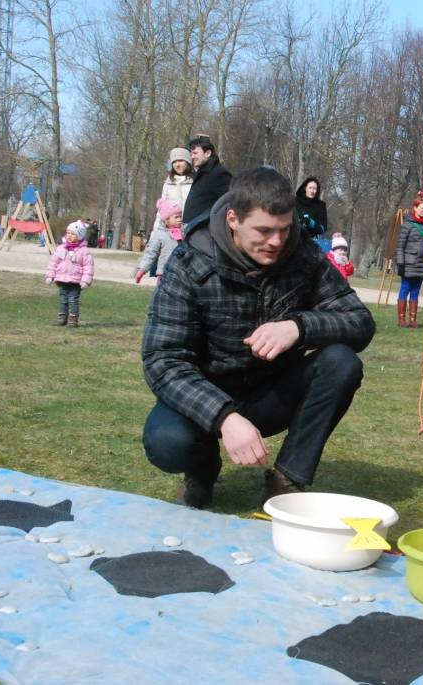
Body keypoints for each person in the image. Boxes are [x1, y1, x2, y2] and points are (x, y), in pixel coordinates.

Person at [141, 167, 376, 509]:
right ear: (233, 219)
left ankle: (286, 480)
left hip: (272, 394)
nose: (277, 242)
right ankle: (202, 471)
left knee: (341, 362)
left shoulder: (304, 255)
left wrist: (299, 327)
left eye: (284, 229)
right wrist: (224, 417)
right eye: (264, 231)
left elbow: (360, 322)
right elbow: (162, 360)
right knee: (167, 442)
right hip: (205, 395)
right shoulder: (190, 262)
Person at [44, 221, 95, 327]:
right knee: (63, 299)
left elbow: (88, 267)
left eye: (73, 234)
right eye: (68, 233)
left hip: (75, 280)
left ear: (79, 236)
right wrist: (50, 275)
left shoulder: (84, 251)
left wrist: (85, 280)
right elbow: (53, 263)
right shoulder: (61, 248)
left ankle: (73, 319)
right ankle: (62, 317)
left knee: (73, 299)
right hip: (62, 279)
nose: (69, 236)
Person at [182, 135, 232, 225]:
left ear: (207, 153)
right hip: (192, 230)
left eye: (195, 153)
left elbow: (229, 203)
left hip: (205, 232)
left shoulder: (219, 174)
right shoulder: (201, 173)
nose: (192, 157)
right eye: (191, 154)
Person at [396, 198, 423, 328]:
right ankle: (401, 319)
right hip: (408, 263)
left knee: (415, 291)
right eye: (422, 207)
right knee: (405, 289)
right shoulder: (407, 225)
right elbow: (400, 245)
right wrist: (401, 263)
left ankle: (413, 320)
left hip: (421, 263)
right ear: (415, 208)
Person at [135, 199, 183, 284]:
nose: (179, 219)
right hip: (165, 273)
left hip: (182, 273)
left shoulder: (185, 232)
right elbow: (151, 253)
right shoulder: (160, 235)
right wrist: (142, 270)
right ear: (166, 220)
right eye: (176, 217)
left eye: (180, 216)